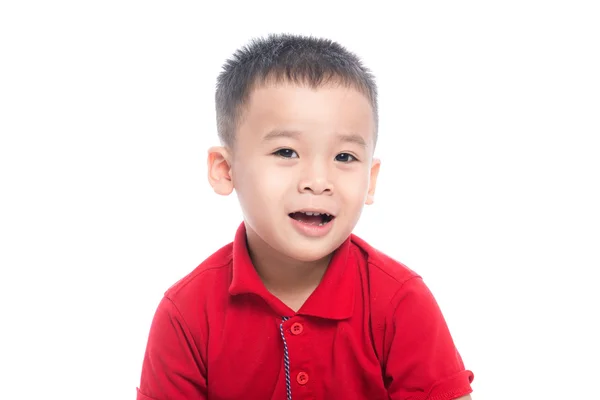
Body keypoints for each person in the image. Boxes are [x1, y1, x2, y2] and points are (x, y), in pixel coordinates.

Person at [136, 34, 474, 400]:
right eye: (286, 151)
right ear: (225, 169)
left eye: (344, 157)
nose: (318, 181)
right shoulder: (185, 314)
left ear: (370, 181)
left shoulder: (401, 302)